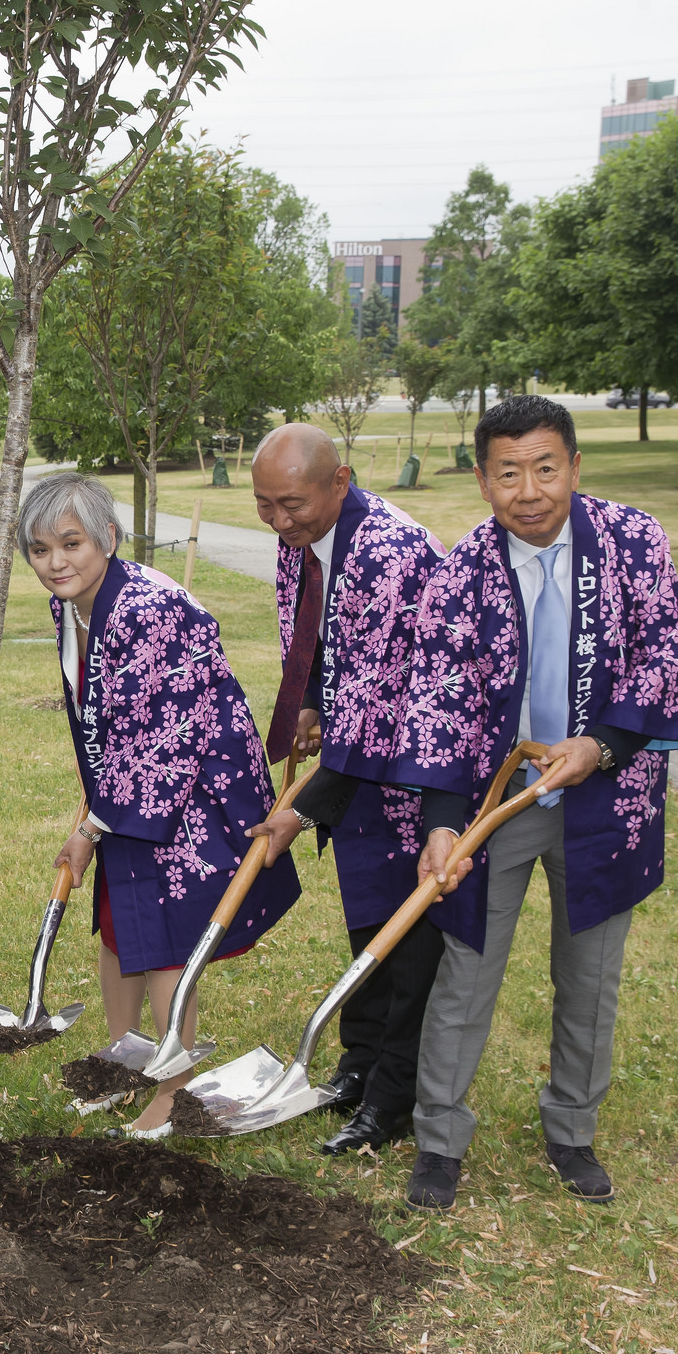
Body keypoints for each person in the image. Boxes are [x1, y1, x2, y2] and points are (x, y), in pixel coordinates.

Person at [389, 396, 678, 1211]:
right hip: (501, 797)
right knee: (466, 967)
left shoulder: (633, 541)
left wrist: (599, 744)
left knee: (590, 974)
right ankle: (438, 1138)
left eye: (545, 467)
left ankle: (571, 1128)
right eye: (507, 473)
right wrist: (443, 822)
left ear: (572, 466)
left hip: (606, 793)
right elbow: (437, 699)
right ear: (483, 479)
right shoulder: (461, 570)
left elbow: (666, 656)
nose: (529, 490)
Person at [25, 474, 301, 1136]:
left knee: (166, 940)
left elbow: (163, 746)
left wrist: (94, 825)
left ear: (109, 538)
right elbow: (110, 725)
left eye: (71, 542)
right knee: (121, 927)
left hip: (195, 791)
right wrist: (91, 813)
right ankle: (124, 1065)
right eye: (39, 548)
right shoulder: (75, 604)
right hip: (131, 787)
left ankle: (174, 1091)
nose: (56, 561)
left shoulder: (149, 610)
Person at [245, 424, 446, 1156]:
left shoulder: (388, 555)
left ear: (342, 480)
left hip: (420, 766)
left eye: (292, 503)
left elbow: (381, 706)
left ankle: (395, 1096)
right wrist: (308, 703)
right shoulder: (303, 537)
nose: (279, 520)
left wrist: (298, 811)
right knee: (368, 914)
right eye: (265, 505)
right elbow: (326, 647)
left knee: (408, 930)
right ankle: (359, 1064)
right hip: (362, 748)